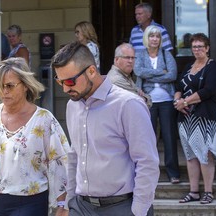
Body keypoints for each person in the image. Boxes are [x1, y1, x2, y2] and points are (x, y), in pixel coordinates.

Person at [51, 41, 160, 216]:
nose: (65, 88)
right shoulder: (73, 105)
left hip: (122, 206)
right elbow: (74, 156)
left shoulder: (128, 104)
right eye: (60, 82)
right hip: (81, 206)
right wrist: (67, 202)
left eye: (70, 81)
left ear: (92, 71)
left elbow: (147, 161)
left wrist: (139, 211)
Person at [0, 57, 70, 216]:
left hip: (30, 204)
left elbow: (61, 163)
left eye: (10, 86)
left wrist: (63, 204)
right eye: (0, 86)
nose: (4, 91)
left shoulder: (44, 120)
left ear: (26, 86)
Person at [174, 33, 216, 204]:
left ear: (207, 48)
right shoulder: (188, 66)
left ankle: (208, 192)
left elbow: (209, 90)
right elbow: (179, 86)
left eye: (200, 46)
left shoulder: (213, 67)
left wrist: (185, 101)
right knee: (190, 155)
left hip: (204, 117)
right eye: (194, 47)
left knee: (204, 154)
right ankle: (194, 191)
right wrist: (177, 100)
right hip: (186, 117)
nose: (197, 49)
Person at [133, 25, 180, 184]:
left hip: (166, 100)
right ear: (147, 38)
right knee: (148, 139)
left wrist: (150, 76)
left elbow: (172, 75)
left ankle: (173, 172)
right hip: (148, 102)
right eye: (151, 36)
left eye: (157, 36)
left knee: (169, 137)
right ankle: (150, 173)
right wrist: (162, 73)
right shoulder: (140, 55)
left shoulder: (167, 55)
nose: (155, 39)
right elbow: (139, 72)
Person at [107, 42, 152, 108]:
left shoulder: (125, 75)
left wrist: (143, 97)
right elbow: (138, 103)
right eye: (127, 57)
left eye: (133, 58)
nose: (130, 61)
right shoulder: (116, 79)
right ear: (117, 59)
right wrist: (146, 98)